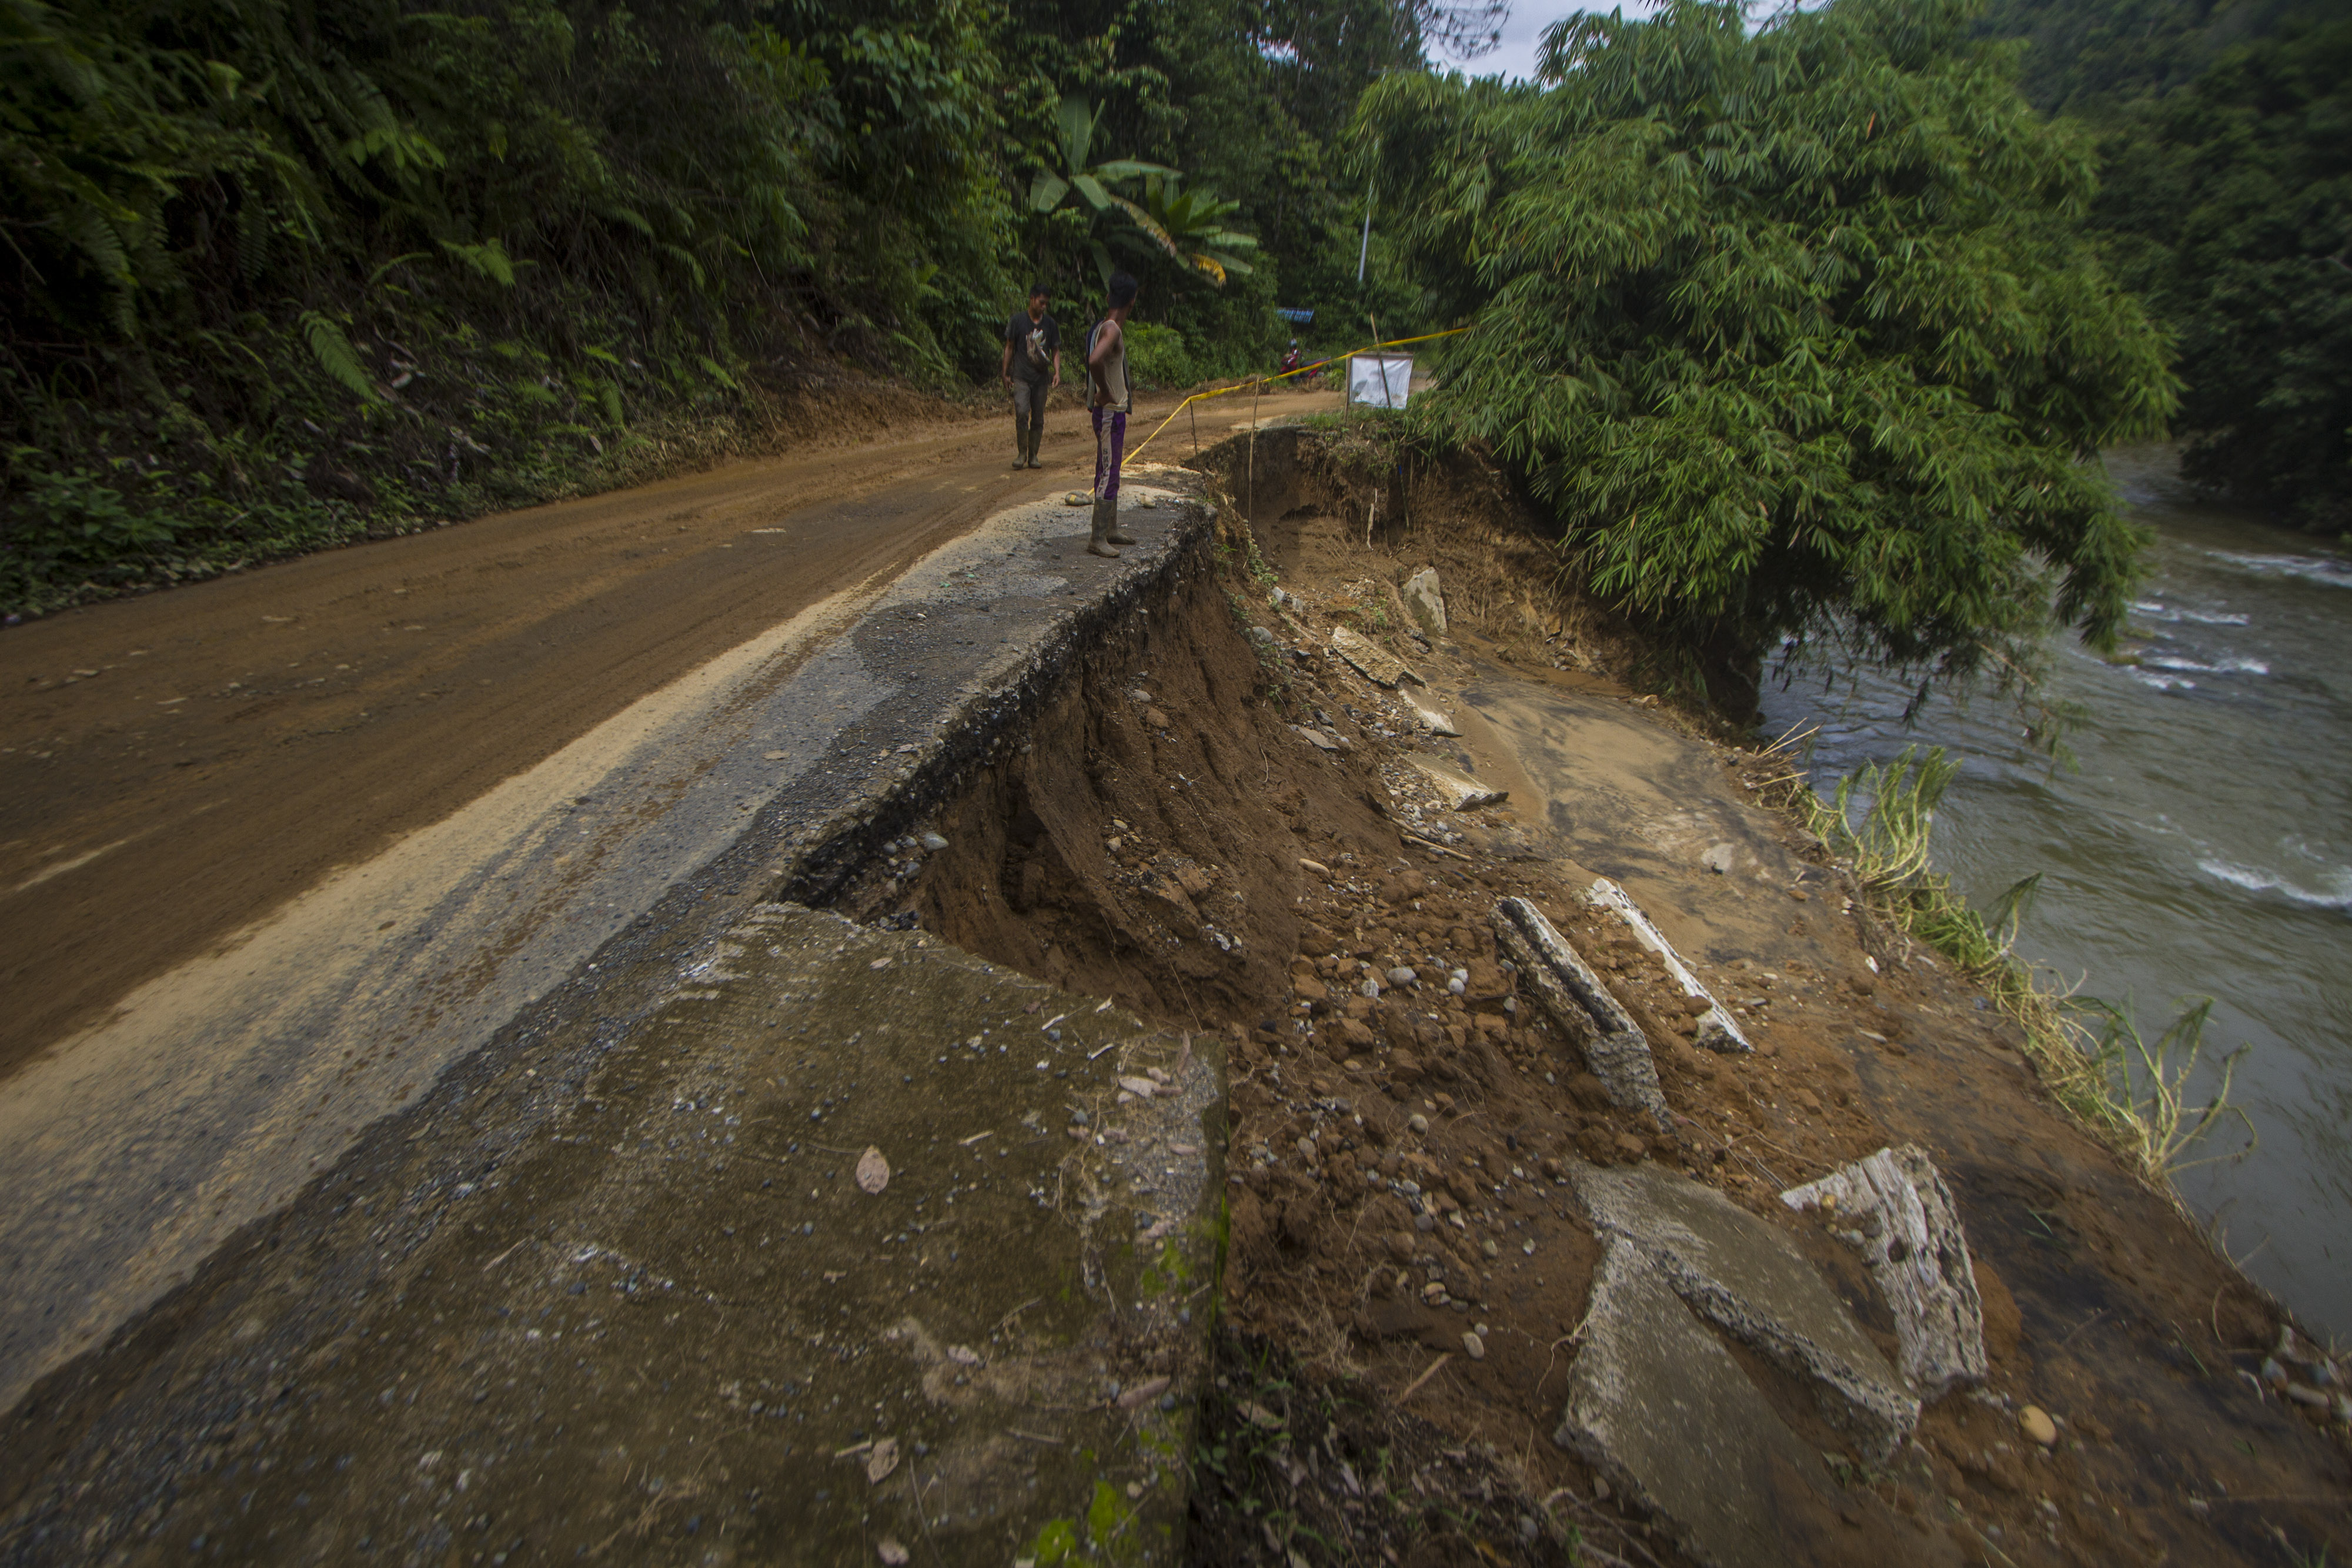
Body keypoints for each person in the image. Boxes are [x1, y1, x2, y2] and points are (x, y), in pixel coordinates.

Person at [1084, 271, 1141, 559]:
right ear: (1132, 302)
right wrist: (1105, 392)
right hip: (1109, 412)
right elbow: (1095, 359)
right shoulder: (1113, 331)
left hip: (1113, 412)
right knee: (1109, 471)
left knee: (1110, 469)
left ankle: (1110, 528)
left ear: (1109, 298)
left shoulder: (1103, 327)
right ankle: (1097, 537)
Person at [999, 285, 1060, 469]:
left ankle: (1034, 455)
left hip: (1041, 379)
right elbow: (1009, 347)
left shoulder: (1050, 324)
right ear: (1032, 299)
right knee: (1022, 412)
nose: (1044, 307)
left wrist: (1057, 372)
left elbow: (1056, 350)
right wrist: (1005, 372)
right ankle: (1021, 454)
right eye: (1041, 302)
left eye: (1046, 304)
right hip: (1021, 377)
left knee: (1038, 418)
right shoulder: (1018, 321)